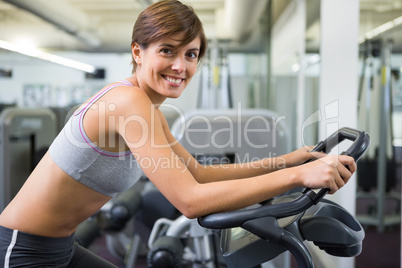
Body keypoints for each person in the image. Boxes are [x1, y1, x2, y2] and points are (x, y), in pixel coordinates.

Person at [0, 0, 356, 267]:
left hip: (60, 246)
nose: (180, 66)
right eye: (167, 51)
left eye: (191, 54)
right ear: (138, 52)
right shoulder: (127, 102)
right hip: (22, 248)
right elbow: (190, 200)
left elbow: (198, 174)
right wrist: (297, 176)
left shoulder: (146, 108)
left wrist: (286, 162)